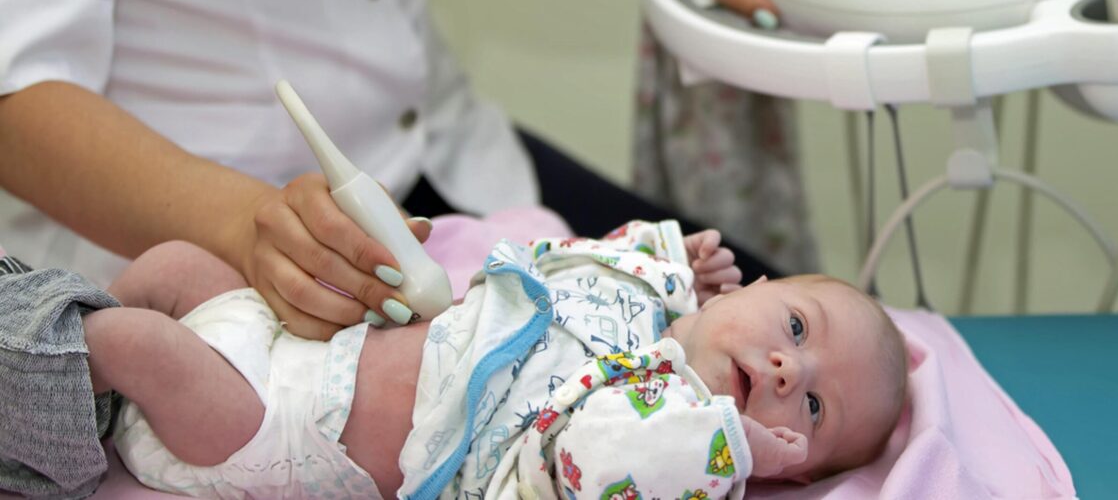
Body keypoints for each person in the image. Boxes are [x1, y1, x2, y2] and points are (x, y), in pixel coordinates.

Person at [0, 0, 910, 341]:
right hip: (230, 246)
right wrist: (246, 224)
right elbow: (17, 94)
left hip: (446, 167)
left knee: (793, 330)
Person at [67, 220, 907, 498]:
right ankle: (44, 350)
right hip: (298, 340)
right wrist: (662, 256)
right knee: (174, 265)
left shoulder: (669, 432)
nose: (792, 372)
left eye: (814, 411)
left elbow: (597, 461)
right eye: (796, 328)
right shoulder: (650, 303)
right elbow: (566, 263)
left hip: (279, 426)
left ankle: (32, 388)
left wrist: (724, 446)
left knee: (128, 342)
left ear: (789, 468)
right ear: (745, 292)